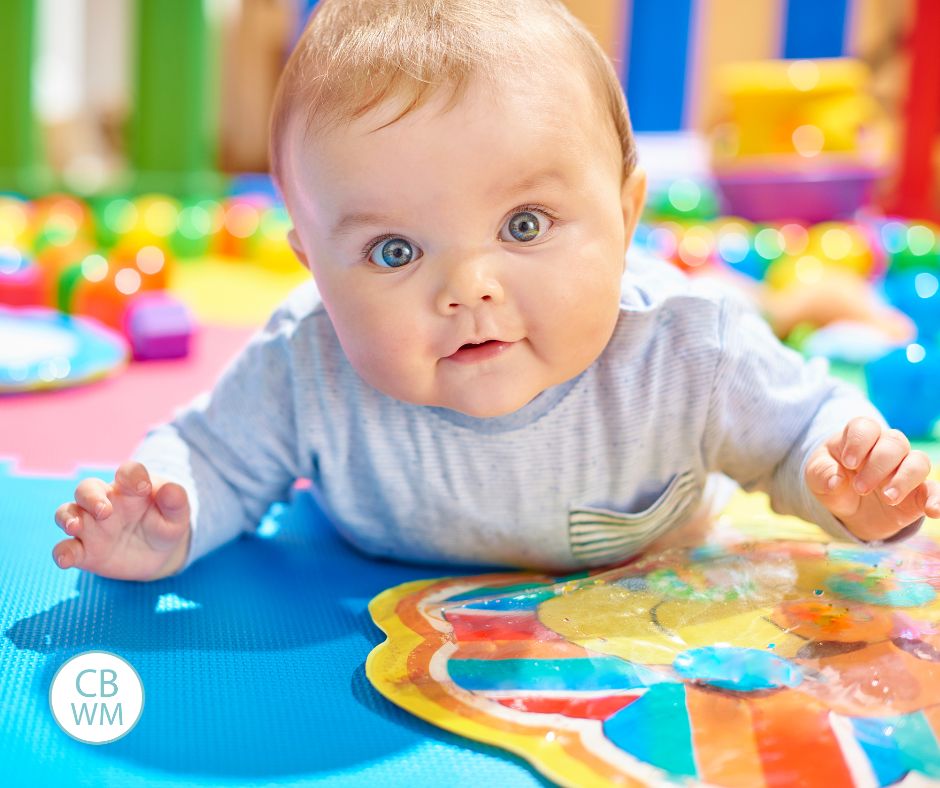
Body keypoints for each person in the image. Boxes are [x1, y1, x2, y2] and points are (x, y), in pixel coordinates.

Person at [52, 0, 939, 581]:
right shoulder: (308, 360)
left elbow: (795, 436)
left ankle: (812, 301)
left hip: (640, 640)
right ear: (314, 266)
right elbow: (213, 458)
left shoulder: (689, 348)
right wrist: (163, 517)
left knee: (774, 322)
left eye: (523, 226)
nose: (468, 290)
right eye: (395, 250)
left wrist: (851, 490)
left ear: (627, 216)